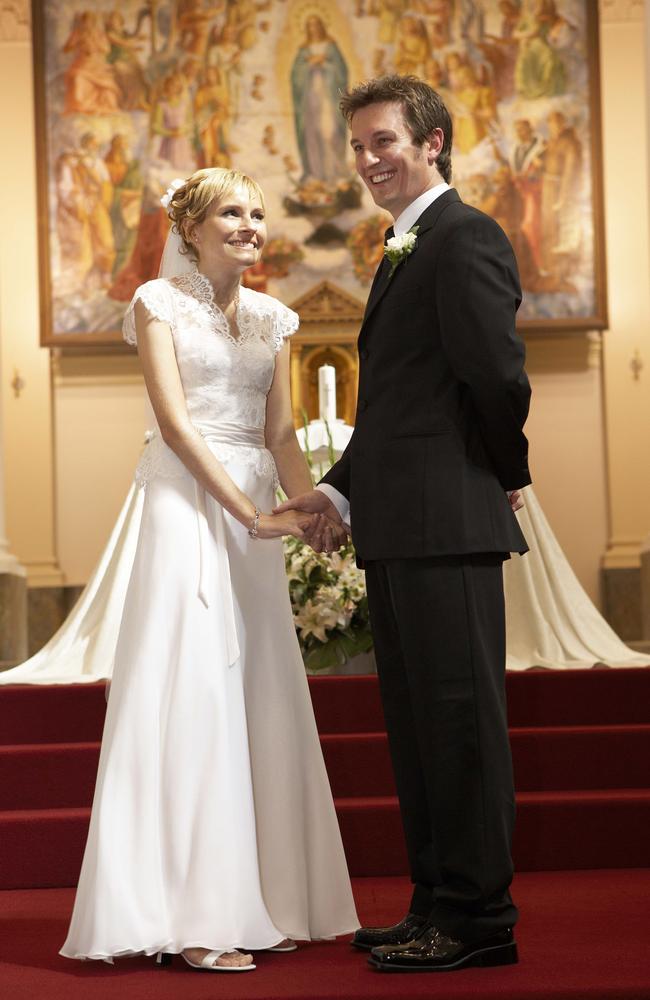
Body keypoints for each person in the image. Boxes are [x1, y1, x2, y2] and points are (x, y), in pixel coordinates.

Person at [60, 166, 358, 970]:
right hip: (190, 506)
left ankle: (271, 895)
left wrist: (315, 508)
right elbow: (177, 425)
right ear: (190, 228)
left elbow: (283, 438)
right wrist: (252, 513)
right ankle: (194, 915)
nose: (251, 226)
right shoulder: (156, 305)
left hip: (255, 515)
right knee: (195, 687)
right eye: (233, 212)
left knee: (256, 689)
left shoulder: (272, 317)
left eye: (258, 214)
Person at [276, 74, 532, 972]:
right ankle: (434, 902)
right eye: (357, 146)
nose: (367, 160)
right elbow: (393, 410)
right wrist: (338, 493)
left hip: (449, 525)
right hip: (399, 525)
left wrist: (507, 473)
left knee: (459, 726)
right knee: (420, 730)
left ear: (432, 143)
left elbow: (497, 378)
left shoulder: (465, 237)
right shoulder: (399, 249)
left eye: (383, 141)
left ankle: (478, 919)